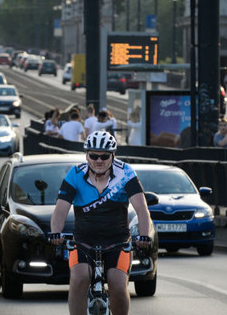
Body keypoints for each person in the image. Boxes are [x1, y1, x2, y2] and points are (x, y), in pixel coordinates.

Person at [49, 131, 152, 315]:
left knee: (118, 285)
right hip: (83, 241)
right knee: (79, 279)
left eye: (104, 156)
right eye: (94, 155)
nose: (99, 160)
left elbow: (142, 209)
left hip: (117, 241)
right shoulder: (75, 174)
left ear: (113, 155)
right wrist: (55, 232)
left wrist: (144, 235)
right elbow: (60, 210)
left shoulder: (125, 172)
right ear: (86, 155)